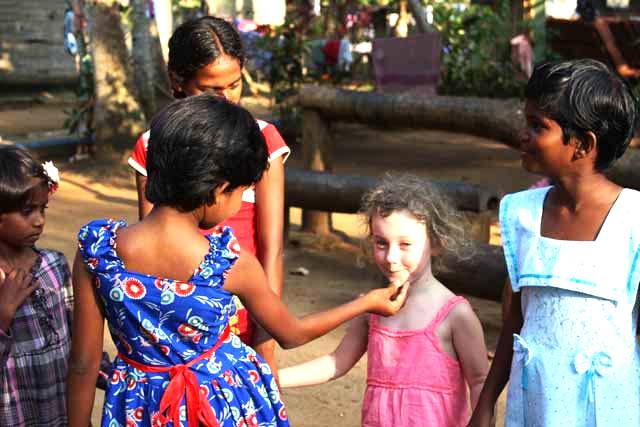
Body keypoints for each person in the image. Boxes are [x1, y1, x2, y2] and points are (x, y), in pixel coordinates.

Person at [67, 96, 409, 427]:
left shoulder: (98, 250)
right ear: (219, 190)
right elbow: (291, 334)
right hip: (222, 407)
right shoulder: (228, 263)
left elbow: (83, 364)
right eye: (242, 192)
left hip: (138, 408)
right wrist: (367, 302)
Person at [469, 59, 640, 426]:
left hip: (608, 410)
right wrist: (486, 403)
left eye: (538, 126)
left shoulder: (634, 221)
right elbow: (516, 319)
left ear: (582, 144)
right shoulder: (522, 215)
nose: (523, 135)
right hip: (536, 406)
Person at [128, 16, 289, 374]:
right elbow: (151, 241)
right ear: (178, 81)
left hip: (245, 316)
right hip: (175, 327)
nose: (227, 97)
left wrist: (265, 341)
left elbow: (272, 248)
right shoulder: (152, 146)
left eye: (234, 84)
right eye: (210, 89)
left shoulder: (262, 141)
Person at [279, 174, 489, 427]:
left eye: (405, 244)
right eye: (381, 243)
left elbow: (479, 381)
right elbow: (337, 361)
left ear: (435, 243)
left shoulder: (455, 314)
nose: (391, 257)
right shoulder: (371, 308)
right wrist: (274, 379)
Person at [0, 146, 72, 426]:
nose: (40, 221)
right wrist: (3, 313)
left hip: (61, 414)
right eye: (27, 211)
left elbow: (79, 343)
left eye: (43, 209)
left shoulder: (55, 266)